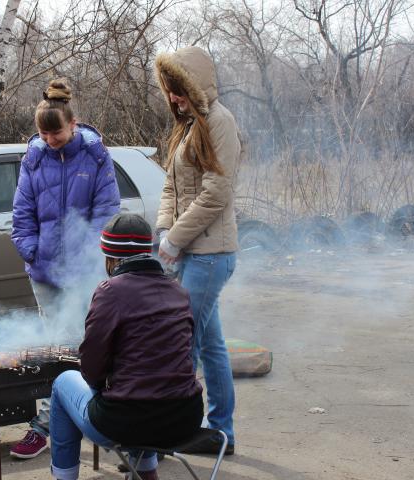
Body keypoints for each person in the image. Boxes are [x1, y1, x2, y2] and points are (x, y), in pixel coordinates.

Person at [10, 79, 121, 458]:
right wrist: (31, 251)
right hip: (43, 273)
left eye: (56, 131)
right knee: (54, 347)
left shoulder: (95, 157)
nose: (50, 139)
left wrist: (85, 257)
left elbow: (107, 213)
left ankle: (49, 426)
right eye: (43, 132)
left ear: (73, 124)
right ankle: (66, 422)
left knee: (73, 347)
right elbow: (21, 213)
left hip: (83, 274)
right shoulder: (34, 157)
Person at [49, 213, 204, 480]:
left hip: (126, 424)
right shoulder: (178, 291)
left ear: (111, 259)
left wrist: (102, 385)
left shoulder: (111, 291)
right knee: (146, 391)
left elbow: (92, 367)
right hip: (185, 420)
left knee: (63, 383)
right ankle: (147, 475)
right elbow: (188, 354)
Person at [154, 46, 241, 455]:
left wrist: (176, 241)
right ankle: (221, 432)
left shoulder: (220, 123)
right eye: (169, 91)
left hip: (211, 254)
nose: (173, 98)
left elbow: (215, 194)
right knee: (211, 345)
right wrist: (163, 231)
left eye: (179, 89)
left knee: (181, 343)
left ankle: (180, 429)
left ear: (195, 86)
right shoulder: (188, 125)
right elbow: (171, 187)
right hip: (193, 251)